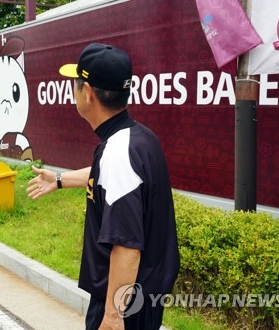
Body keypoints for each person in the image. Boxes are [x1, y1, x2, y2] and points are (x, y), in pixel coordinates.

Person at [27, 43, 179, 330]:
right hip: (143, 295)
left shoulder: (119, 151)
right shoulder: (139, 137)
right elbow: (111, 179)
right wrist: (59, 180)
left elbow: (126, 244)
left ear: (88, 93)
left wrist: (112, 316)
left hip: (124, 303)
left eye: (76, 83)